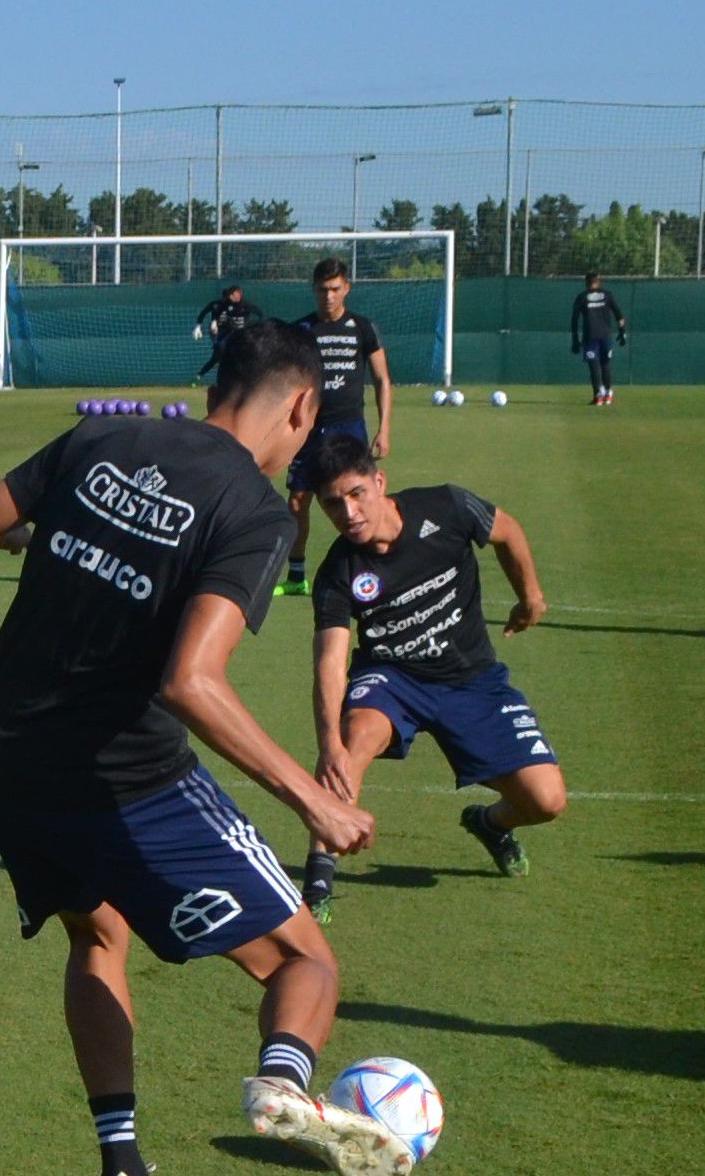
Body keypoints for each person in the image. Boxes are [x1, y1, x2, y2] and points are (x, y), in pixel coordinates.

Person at [0, 322, 412, 1176]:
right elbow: (192, 680)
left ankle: (122, 1172)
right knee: (305, 961)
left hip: (8, 764)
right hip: (124, 776)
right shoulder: (252, 511)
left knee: (97, 934)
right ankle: (284, 1080)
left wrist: (43, 530)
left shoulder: (102, 437)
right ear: (301, 408)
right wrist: (317, 798)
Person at [299, 436, 563, 925]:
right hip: (392, 678)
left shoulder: (446, 507)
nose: (348, 512)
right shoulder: (338, 572)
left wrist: (531, 596)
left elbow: (507, 531)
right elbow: (331, 662)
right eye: (333, 504)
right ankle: (317, 878)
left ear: (380, 482)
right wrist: (328, 742)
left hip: (472, 678)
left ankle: (490, 822)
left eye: (356, 493)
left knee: (547, 801)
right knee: (352, 739)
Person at [278, 258, 392, 597]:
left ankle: (372, 567)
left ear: (346, 289)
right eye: (322, 290)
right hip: (309, 431)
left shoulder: (362, 327)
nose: (328, 296)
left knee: (358, 498)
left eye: (335, 289)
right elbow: (288, 386)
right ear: (313, 290)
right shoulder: (301, 330)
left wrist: (384, 428)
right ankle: (297, 576)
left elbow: (383, 379)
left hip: (349, 429)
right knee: (298, 501)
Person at [571, 272, 628, 405]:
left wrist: (575, 339)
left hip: (590, 336)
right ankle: (607, 394)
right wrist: (622, 332)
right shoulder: (607, 295)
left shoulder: (582, 297)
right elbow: (619, 316)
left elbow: (574, 319)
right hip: (605, 336)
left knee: (594, 365)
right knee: (605, 364)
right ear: (598, 282)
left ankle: (598, 395)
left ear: (586, 283)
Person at [192, 282, 263, 383]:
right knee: (218, 354)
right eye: (227, 298)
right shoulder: (216, 305)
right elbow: (204, 313)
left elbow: (255, 314)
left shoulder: (240, 307)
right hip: (219, 332)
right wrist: (199, 326)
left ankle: (243, 376)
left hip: (231, 331)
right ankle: (201, 375)